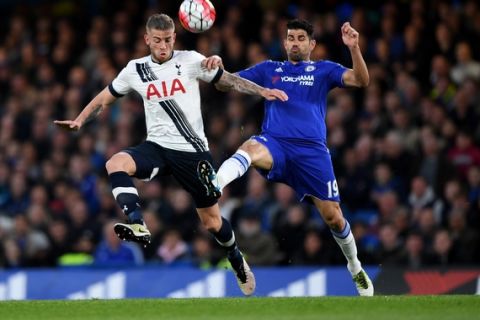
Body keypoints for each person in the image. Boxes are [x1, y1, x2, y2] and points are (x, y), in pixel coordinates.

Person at [54, 13, 287, 296]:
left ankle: (236, 258)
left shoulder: (189, 60)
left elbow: (225, 82)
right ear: (146, 40)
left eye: (167, 40)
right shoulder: (134, 69)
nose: (162, 46)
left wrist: (262, 90)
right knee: (115, 163)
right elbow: (104, 98)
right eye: (157, 41)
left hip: (193, 152)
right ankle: (138, 224)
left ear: (174, 38)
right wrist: (79, 120)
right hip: (157, 147)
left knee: (211, 222)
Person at [198, 19, 374, 296]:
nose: (294, 42)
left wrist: (354, 48)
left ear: (311, 44)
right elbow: (225, 84)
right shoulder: (270, 69)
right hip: (276, 142)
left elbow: (362, 80)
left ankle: (355, 267)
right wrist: (218, 66)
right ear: (284, 43)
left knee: (334, 218)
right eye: (290, 37)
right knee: (250, 148)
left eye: (301, 38)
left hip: (312, 151)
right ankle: (214, 185)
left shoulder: (324, 70)